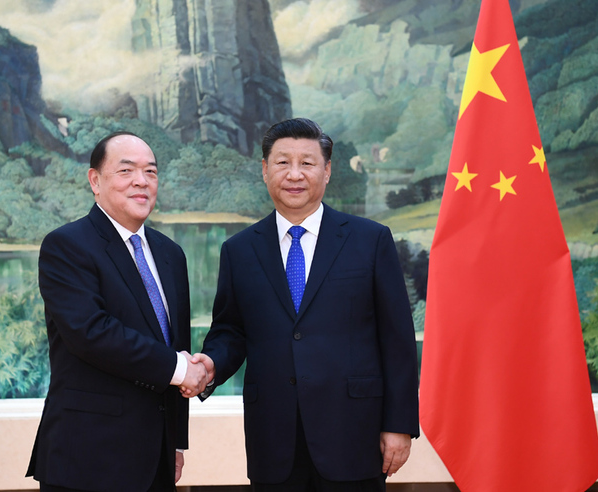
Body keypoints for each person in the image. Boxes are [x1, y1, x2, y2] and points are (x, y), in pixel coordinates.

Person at [186, 118, 419, 491]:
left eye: (307, 163)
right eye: (282, 162)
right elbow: (231, 329)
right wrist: (210, 363)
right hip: (273, 439)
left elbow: (397, 340)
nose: (294, 174)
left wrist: (399, 424)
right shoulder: (240, 250)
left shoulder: (370, 240)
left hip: (353, 434)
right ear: (264, 170)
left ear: (326, 171)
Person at [26, 131, 209, 492]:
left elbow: (176, 341)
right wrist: (180, 369)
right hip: (88, 459)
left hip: (155, 459)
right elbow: (92, 333)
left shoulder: (170, 254)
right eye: (126, 171)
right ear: (95, 180)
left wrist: (175, 441)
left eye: (151, 172)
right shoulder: (67, 245)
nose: (141, 181)